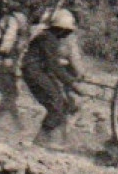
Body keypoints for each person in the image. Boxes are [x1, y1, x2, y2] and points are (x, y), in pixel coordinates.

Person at [20, 8, 89, 147]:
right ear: (61, 29)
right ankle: (39, 141)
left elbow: (52, 64)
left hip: (38, 70)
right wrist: (72, 84)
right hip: (34, 72)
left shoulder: (48, 37)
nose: (68, 34)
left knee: (61, 104)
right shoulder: (48, 39)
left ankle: (49, 139)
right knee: (56, 104)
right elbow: (53, 65)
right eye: (67, 31)